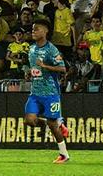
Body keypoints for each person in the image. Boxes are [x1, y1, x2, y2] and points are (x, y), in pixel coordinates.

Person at [23, 19, 70, 163]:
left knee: (52, 124)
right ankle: (58, 124)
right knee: (29, 120)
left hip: (50, 93)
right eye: (32, 29)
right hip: (35, 93)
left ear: (45, 31)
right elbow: (34, 68)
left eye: (36, 29)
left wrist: (45, 66)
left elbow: (63, 69)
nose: (33, 31)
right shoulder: (31, 49)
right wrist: (30, 73)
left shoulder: (52, 49)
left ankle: (64, 154)